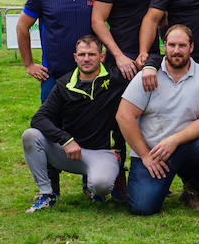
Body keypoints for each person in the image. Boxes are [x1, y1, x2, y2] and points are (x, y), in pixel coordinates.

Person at [116, 24, 199, 215]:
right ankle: (159, 183)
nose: (176, 51)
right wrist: (145, 156)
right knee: (143, 208)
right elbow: (124, 116)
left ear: (191, 47)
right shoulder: (147, 75)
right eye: (171, 45)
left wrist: (174, 140)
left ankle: (193, 188)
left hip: (186, 146)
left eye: (182, 46)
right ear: (164, 45)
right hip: (152, 151)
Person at [21, 36, 126, 212]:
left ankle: (95, 190)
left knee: (101, 185)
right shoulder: (64, 83)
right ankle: (46, 193)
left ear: (101, 57)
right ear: (75, 57)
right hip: (70, 153)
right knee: (30, 136)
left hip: (101, 153)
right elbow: (38, 119)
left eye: (91, 54)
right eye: (82, 54)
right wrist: (66, 140)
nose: (86, 59)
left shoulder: (116, 79)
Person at [17, 0, 97, 101]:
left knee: (89, 124)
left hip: (90, 73)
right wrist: (29, 64)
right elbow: (22, 27)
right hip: (53, 75)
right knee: (50, 124)